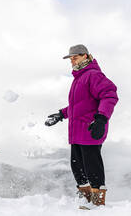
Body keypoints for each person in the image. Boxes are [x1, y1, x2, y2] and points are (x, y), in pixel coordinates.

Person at [45, 44, 118, 207]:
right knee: (77, 166)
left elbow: (110, 95)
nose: (72, 61)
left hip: (90, 129)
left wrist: (101, 118)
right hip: (76, 132)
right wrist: (61, 114)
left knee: (92, 165)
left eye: (75, 57)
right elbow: (78, 106)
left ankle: (97, 200)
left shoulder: (93, 75)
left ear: (86, 56)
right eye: (70, 58)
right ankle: (86, 197)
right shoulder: (78, 79)